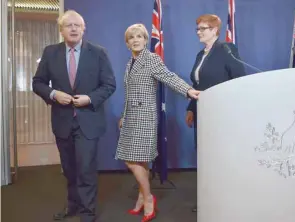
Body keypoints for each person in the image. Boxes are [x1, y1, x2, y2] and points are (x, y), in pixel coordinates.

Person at [32, 10, 116, 222]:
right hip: (62, 122)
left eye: (77, 25)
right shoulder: (50, 52)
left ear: (83, 29)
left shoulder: (98, 52)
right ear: (61, 30)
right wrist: (53, 94)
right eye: (68, 25)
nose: (73, 29)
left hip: (88, 121)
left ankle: (87, 213)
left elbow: (109, 85)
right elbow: (38, 83)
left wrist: (89, 98)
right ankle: (72, 207)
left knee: (86, 169)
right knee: (69, 169)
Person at [115, 23, 200, 222]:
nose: (136, 40)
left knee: (132, 160)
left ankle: (149, 199)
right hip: (131, 117)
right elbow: (129, 94)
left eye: (139, 36)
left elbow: (169, 77)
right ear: (127, 43)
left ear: (146, 40)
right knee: (140, 161)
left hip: (144, 118)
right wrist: (123, 115)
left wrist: (188, 91)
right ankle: (141, 199)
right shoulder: (130, 63)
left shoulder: (151, 59)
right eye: (131, 37)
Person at [185, 14, 246, 212]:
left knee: (221, 157)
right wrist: (190, 109)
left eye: (203, 28)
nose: (199, 32)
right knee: (204, 157)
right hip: (202, 113)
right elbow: (197, 84)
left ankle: (225, 199)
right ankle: (207, 198)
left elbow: (239, 81)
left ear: (215, 30)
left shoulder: (227, 49)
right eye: (198, 29)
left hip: (221, 114)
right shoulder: (200, 55)